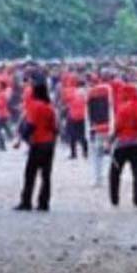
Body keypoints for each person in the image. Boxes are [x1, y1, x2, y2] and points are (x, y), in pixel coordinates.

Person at [15, 76, 57, 212]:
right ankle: (44, 202)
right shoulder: (49, 107)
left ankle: (26, 201)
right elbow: (55, 128)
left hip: (38, 142)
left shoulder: (35, 106)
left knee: (30, 173)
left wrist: (21, 139)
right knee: (46, 175)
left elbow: (30, 125)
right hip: (49, 143)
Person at [109, 84, 137, 207]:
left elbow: (117, 126)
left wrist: (112, 140)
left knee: (114, 173)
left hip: (122, 144)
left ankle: (115, 199)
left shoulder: (122, 108)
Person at [87, 79, 112, 188]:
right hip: (109, 127)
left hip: (96, 128)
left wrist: (90, 130)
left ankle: (98, 178)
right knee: (110, 153)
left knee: (97, 155)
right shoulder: (109, 92)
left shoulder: (90, 95)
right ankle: (110, 175)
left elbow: (88, 114)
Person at [67, 86, 88, 160]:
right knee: (83, 135)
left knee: (72, 136)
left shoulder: (72, 95)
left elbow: (68, 104)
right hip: (82, 117)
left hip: (73, 117)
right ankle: (85, 152)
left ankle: (73, 154)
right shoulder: (84, 95)